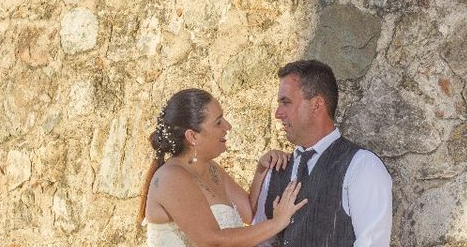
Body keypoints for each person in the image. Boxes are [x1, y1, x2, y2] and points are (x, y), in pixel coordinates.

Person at [139, 88, 308, 247]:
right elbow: (212, 242)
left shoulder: (212, 169)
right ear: (192, 136)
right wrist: (276, 223)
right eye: (218, 122)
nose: (228, 127)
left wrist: (261, 169)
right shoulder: (171, 178)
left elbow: (249, 213)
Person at [253, 59, 393, 247]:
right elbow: (259, 241)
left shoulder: (362, 166)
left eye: (286, 102)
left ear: (317, 105)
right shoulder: (276, 169)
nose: (278, 113)